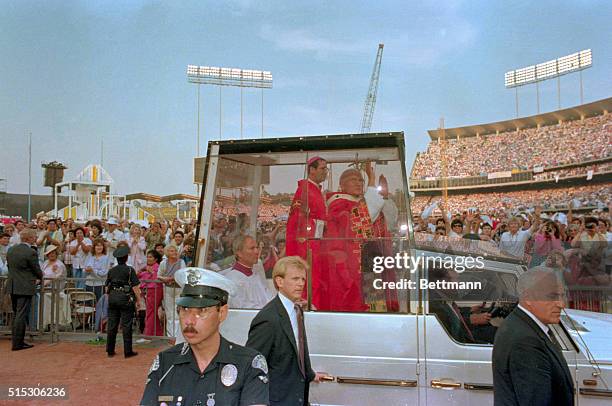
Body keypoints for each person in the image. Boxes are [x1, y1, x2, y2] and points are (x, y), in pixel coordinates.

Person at [140, 267, 269, 406]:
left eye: (201, 311)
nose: (189, 320)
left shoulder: (248, 364)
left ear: (222, 313)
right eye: (185, 309)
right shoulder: (165, 363)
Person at [247, 256, 323, 405]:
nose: (300, 284)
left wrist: (309, 374)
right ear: (279, 281)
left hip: (297, 398)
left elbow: (300, 349)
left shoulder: (297, 311)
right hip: (276, 400)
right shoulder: (268, 318)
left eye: (302, 279)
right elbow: (253, 363)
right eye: (295, 279)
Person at [492, 267, 574, 406]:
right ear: (529, 298)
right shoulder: (526, 341)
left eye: (562, 295)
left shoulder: (520, 325)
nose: (561, 304)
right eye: (552, 296)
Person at [321, 163, 398, 312]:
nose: (358, 183)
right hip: (350, 266)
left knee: (377, 307)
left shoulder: (359, 202)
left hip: (371, 264)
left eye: (360, 180)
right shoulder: (338, 204)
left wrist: (385, 197)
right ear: (341, 185)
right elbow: (362, 221)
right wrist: (371, 180)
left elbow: (389, 221)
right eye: (353, 179)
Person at [285, 156, 328, 302]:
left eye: (326, 168)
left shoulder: (315, 190)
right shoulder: (304, 190)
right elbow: (297, 222)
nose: (326, 172)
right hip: (308, 249)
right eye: (322, 168)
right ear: (311, 170)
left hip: (317, 247)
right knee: (310, 286)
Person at [6, 228, 43, 351]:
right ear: (29, 238)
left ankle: (17, 341)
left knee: (17, 313)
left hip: (12, 285)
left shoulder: (11, 250)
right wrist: (40, 277)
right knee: (21, 314)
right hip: (25, 286)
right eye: (34, 237)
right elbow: (36, 269)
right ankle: (18, 343)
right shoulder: (30, 252)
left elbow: (9, 266)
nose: (35, 239)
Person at [105, 245, 143, 358]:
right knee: (126, 325)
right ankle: (128, 351)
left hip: (113, 297)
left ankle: (110, 350)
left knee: (112, 325)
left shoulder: (111, 271)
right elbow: (136, 287)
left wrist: (110, 297)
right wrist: (139, 301)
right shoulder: (130, 270)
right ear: (126, 258)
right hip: (125, 298)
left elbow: (107, 287)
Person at [220, 234, 273, 309]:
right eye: (252, 248)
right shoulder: (232, 280)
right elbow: (244, 309)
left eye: (257, 247)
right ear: (239, 253)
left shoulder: (256, 274)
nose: (257, 251)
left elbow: (268, 297)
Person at [158, 245, 186, 342]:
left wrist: (174, 279)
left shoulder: (181, 262)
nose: (174, 252)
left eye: (175, 251)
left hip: (178, 289)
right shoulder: (163, 263)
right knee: (169, 314)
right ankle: (171, 336)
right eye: (171, 251)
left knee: (177, 312)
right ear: (167, 253)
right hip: (168, 289)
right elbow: (159, 276)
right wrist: (166, 279)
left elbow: (183, 274)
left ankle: (177, 336)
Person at [137, 250, 164, 336]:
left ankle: (148, 334)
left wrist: (150, 272)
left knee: (150, 312)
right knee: (152, 312)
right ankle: (157, 333)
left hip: (155, 290)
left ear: (156, 259)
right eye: (147, 257)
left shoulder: (157, 267)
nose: (148, 259)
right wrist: (142, 269)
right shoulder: (147, 268)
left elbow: (157, 278)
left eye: (151, 257)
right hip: (149, 291)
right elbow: (137, 275)